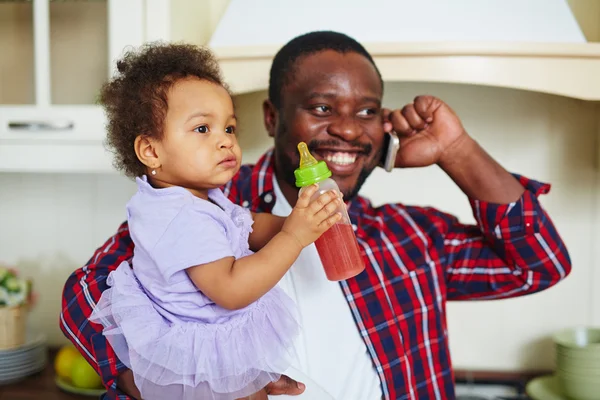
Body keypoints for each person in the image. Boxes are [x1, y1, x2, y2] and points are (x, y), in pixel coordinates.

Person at [60, 31, 571, 400]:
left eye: (369, 111)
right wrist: (173, 388)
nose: (349, 130)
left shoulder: (406, 234)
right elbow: (84, 294)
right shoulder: (201, 200)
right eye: (323, 109)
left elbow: (540, 264)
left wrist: (455, 149)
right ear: (272, 118)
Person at [84, 43, 343, 400]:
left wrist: (297, 220)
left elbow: (247, 227)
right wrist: (296, 237)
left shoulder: (191, 198)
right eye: (203, 129)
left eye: (230, 128)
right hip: (199, 361)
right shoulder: (180, 219)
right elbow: (232, 290)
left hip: (209, 347)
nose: (225, 141)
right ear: (151, 150)